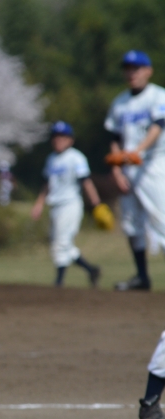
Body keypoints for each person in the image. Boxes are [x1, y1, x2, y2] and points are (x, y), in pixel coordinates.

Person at [104, 50, 165, 291]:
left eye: (136, 68)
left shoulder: (158, 95)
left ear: (148, 71)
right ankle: (142, 277)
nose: (132, 73)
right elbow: (114, 137)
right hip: (128, 169)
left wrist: (137, 151)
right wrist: (117, 170)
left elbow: (158, 126)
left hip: (154, 165)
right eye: (128, 68)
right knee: (131, 224)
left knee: (162, 220)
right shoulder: (119, 102)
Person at [31, 121, 102, 288]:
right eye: (55, 137)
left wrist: (96, 203)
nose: (58, 140)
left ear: (70, 140)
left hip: (70, 204)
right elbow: (47, 184)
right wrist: (39, 204)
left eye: (62, 137)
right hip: (55, 205)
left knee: (61, 243)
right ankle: (91, 270)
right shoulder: (51, 159)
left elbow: (86, 181)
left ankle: (59, 281)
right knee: (61, 243)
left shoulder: (76, 157)